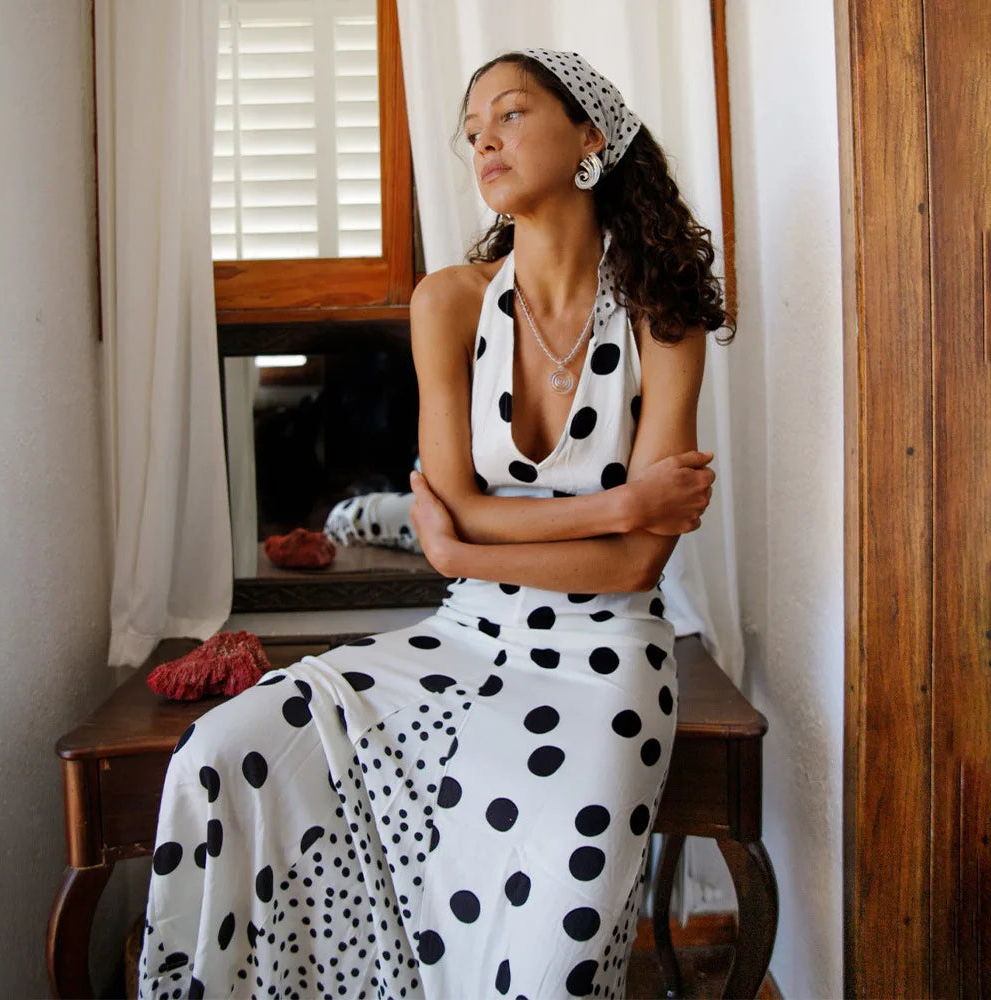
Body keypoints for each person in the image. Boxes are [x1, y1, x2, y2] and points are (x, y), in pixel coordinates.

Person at [137, 48, 731, 1000]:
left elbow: (633, 570)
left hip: (604, 665)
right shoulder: (448, 302)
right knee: (221, 751)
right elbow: (463, 516)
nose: (483, 142)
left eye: (510, 115)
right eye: (469, 131)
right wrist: (615, 504)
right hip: (463, 639)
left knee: (549, 963)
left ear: (590, 136)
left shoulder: (662, 317)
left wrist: (481, 541)